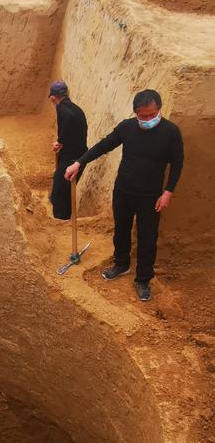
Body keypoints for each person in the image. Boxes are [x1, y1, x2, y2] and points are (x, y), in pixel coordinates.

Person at [65, 89, 183, 303]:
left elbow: (177, 163)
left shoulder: (171, 132)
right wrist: (79, 161)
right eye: (142, 116)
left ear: (159, 110)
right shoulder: (127, 128)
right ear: (135, 113)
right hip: (123, 191)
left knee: (148, 237)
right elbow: (104, 145)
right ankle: (121, 263)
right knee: (121, 229)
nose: (147, 119)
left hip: (150, 196)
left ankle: (144, 279)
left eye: (151, 115)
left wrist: (168, 192)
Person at [48, 80, 88, 221]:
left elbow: (69, 118)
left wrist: (60, 141)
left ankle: (60, 224)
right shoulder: (76, 108)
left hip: (71, 160)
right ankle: (66, 221)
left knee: (58, 194)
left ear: (53, 98)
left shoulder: (61, 107)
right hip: (79, 158)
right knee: (65, 193)